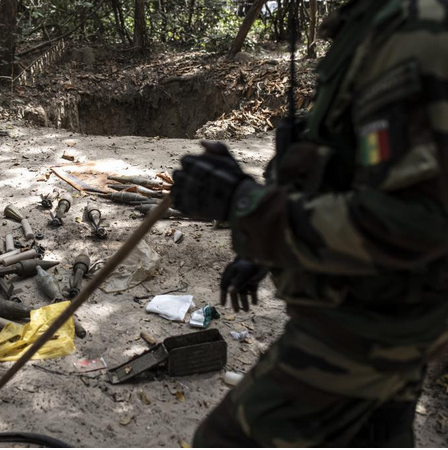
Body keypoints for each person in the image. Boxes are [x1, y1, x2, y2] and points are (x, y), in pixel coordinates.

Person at [171, 0, 448, 446]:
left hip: (372, 322)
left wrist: (247, 206)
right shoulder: (369, 22)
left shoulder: (415, 32)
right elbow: (350, 170)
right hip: (382, 305)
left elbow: (416, 222)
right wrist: (262, 248)